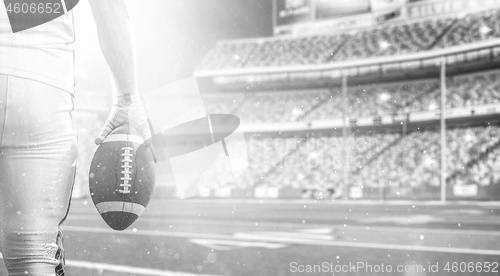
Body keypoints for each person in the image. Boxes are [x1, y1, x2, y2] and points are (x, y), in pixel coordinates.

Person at [0, 1, 152, 275]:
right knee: (33, 253)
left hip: (40, 78)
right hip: (39, 81)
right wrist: (127, 97)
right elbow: (110, 7)